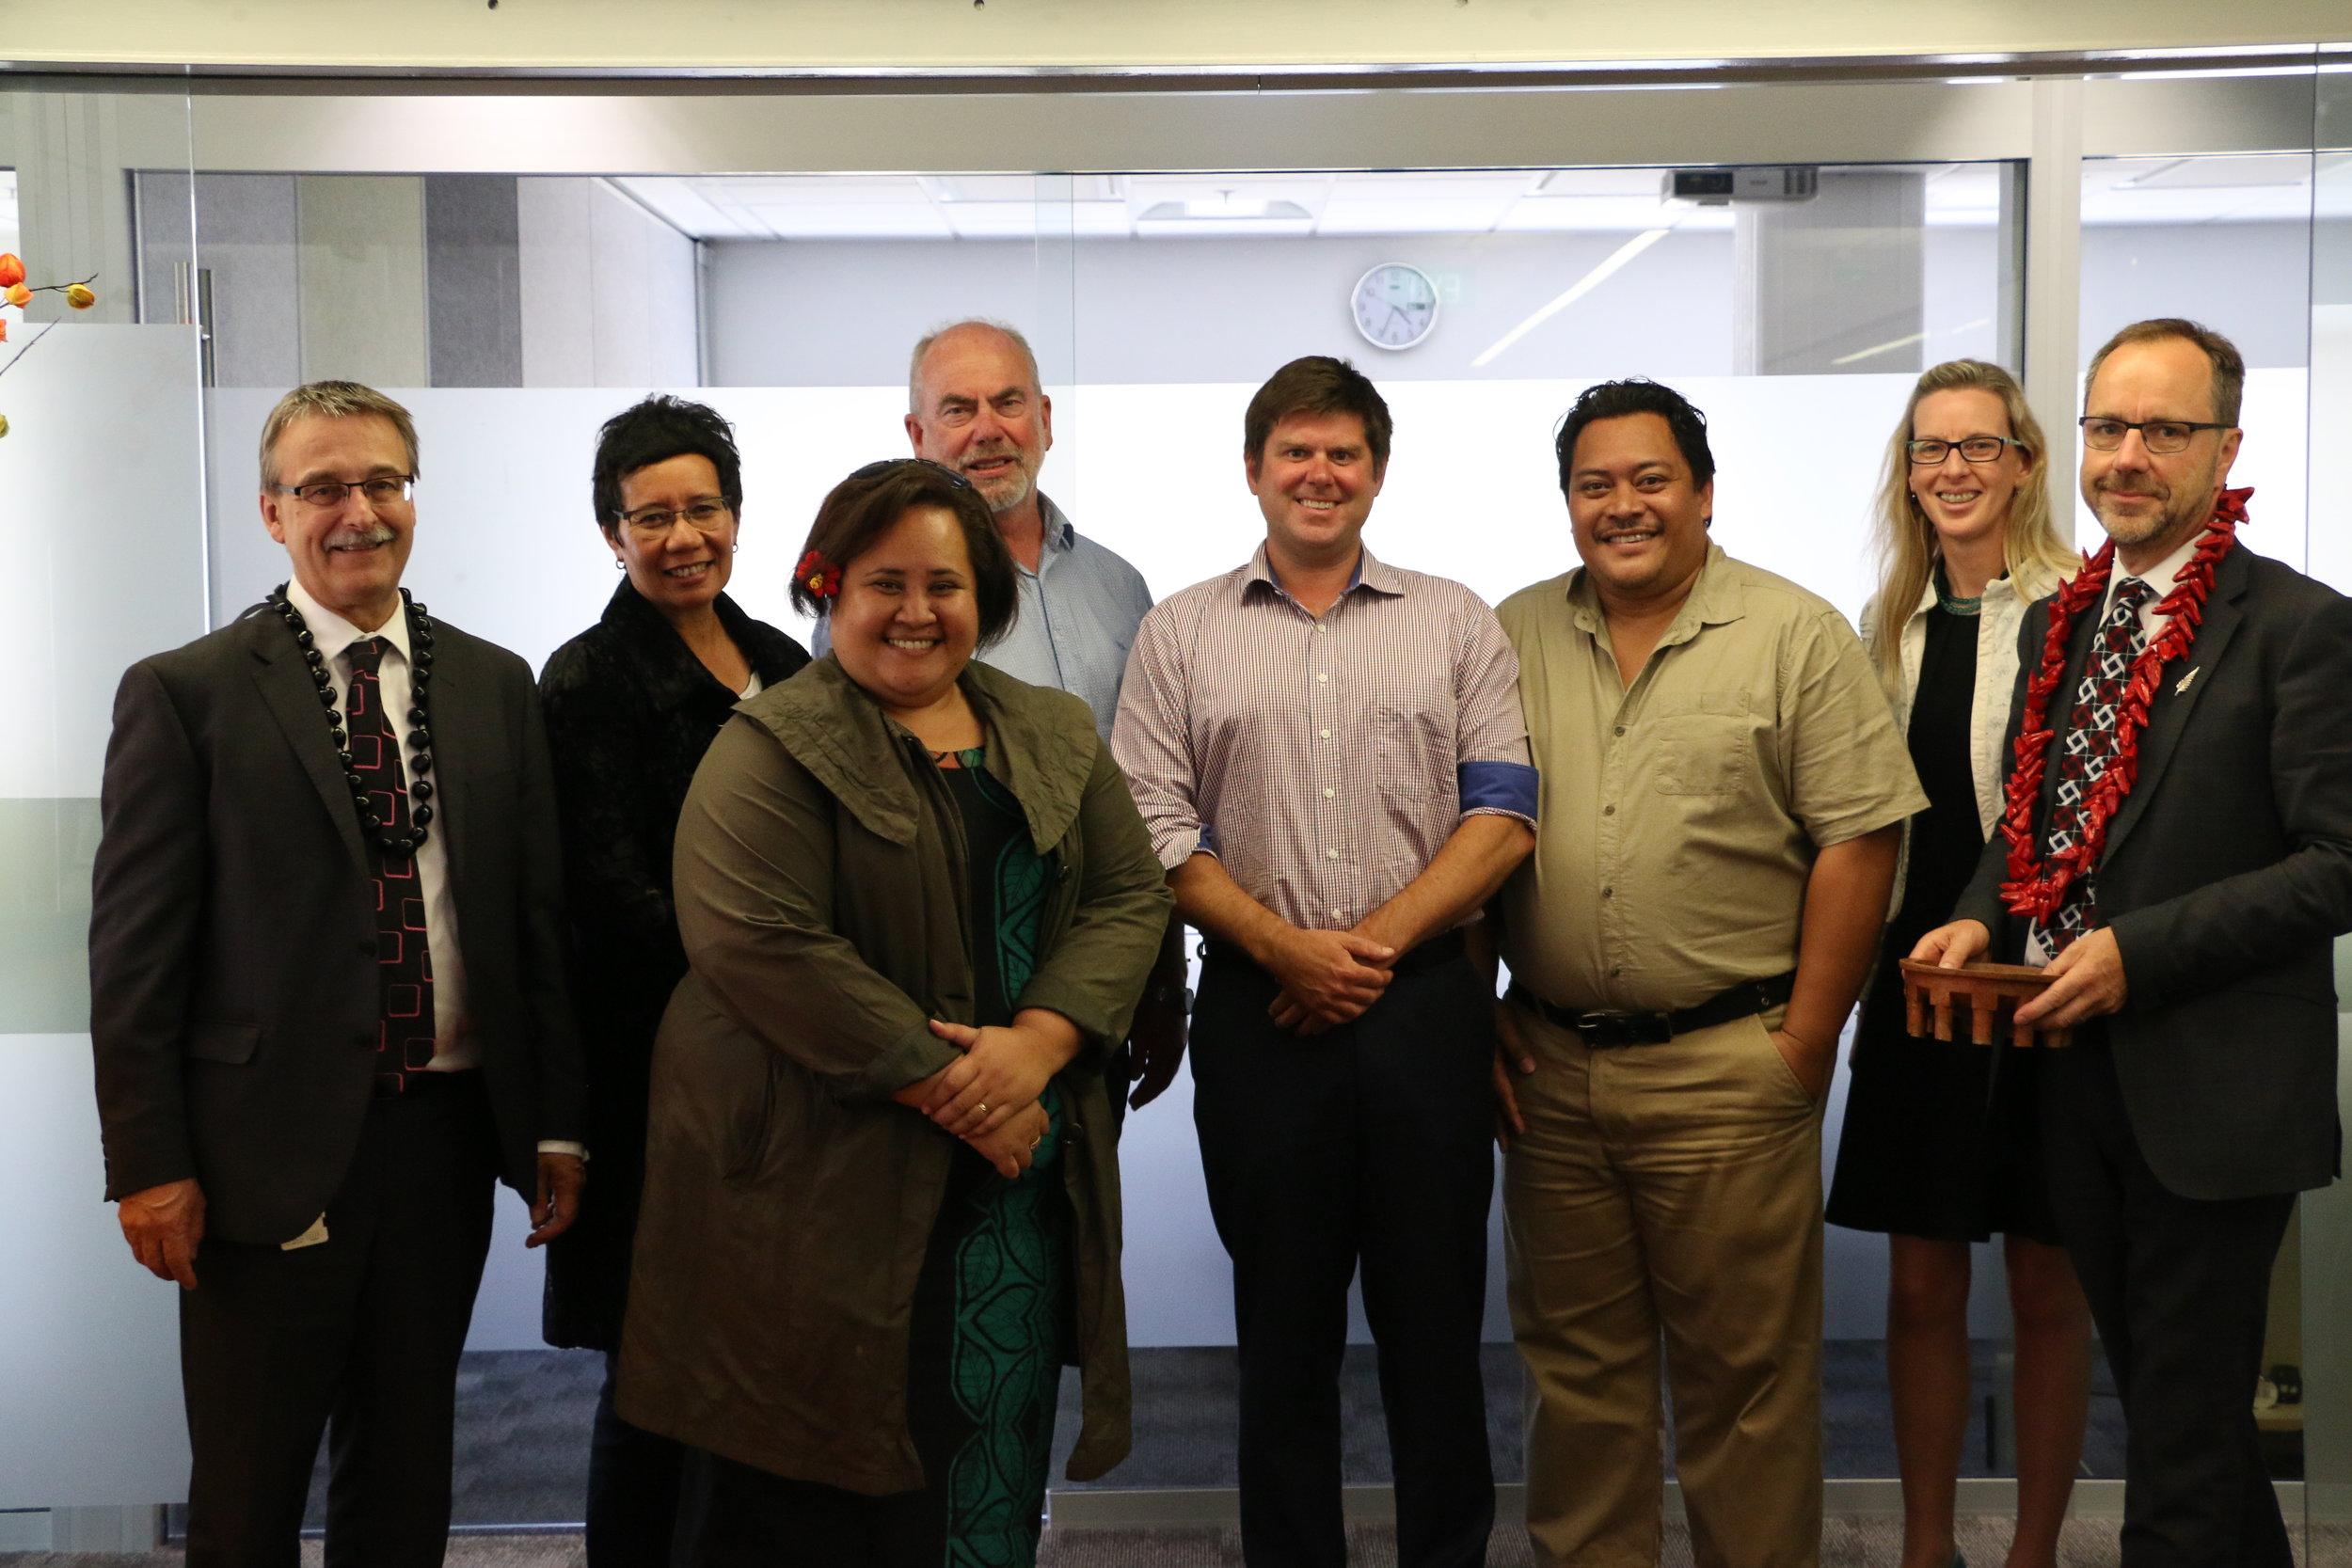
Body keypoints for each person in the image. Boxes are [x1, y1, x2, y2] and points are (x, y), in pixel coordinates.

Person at [618, 458, 1172, 1568]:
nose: (917, 612)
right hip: (817, 1195)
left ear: (986, 598)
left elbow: (1128, 892)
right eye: (886, 582)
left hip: (1009, 1189)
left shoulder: (1054, 729)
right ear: (829, 589)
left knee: (988, 1459)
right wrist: (973, 1093)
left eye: (946, 584)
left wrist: (1042, 1044)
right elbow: (760, 945)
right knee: (815, 1491)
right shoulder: (770, 742)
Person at [88, 380, 587, 1568]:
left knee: (410, 1466)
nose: (357, 510)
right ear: (273, 512)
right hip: (258, 1150)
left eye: (382, 482)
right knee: (252, 1484)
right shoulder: (189, 692)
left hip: (444, 1135)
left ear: (411, 497)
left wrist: (559, 1123)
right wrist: (148, 1161)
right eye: (323, 488)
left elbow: (532, 924)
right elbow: (134, 956)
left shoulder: (494, 683)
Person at [1915, 319, 2352, 1565]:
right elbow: (2034, 827)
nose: (2129, 455)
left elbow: (2339, 862)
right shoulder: (2069, 615)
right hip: (2069, 1079)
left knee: (2178, 1452)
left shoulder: (2299, 628)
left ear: (2226, 447)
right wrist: (1975, 908)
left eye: (2165, 429)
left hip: (2212, 1096)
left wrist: (2137, 951)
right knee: (2182, 1422)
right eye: (2110, 426)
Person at [1486, 378, 1921, 1568]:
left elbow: (1859, 836)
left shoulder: (1792, 632)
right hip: (1551, 1069)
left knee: (1747, 1388)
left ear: (1703, 491)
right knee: (1574, 1381)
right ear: (1566, 500)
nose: (1621, 505)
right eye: (1594, 484)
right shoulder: (1509, 632)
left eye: (1648, 478)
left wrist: (1803, 1044)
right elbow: (1468, 834)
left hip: (1731, 1070)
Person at [1114, 355, 1537, 1568]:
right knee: (1283, 1342)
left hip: (1423, 1013)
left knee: (1434, 1340)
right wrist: (1282, 950)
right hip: (1260, 1017)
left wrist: (1367, 949)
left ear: (1378, 473)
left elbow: (1504, 812)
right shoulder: (1181, 630)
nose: (1318, 472)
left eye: (1342, 452)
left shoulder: (1454, 617)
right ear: (1253, 470)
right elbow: (1152, 824)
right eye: (1294, 451)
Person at [1824, 359, 2091, 1568]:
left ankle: (2033, 1547)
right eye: (1932, 449)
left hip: (2049, 983)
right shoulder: (1882, 623)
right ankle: (1926, 1545)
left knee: (2046, 1281)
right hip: (1915, 985)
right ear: (1908, 471)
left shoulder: (2084, 611)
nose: (1955, 469)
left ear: (2026, 463)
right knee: (1922, 1286)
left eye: (1981, 446)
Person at [537, 395, 811, 1566]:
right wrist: (785, 979)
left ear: (738, 518)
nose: (682, 534)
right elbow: (609, 898)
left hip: (797, 1072)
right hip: (660, 1074)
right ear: (612, 533)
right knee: (652, 1372)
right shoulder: (587, 678)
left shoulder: (789, 663)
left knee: (768, 1359)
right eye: (652, 515)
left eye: (703, 507)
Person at [877, 318, 1186, 1117]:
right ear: (918, 434)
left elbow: (1153, 794)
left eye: (1008, 402)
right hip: (952, 991)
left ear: (1045, 418)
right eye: (958, 409)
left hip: (1100, 977)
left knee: (1083, 1220)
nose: (989, 429)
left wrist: (1162, 976)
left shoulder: (1120, 587)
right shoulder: (886, 603)